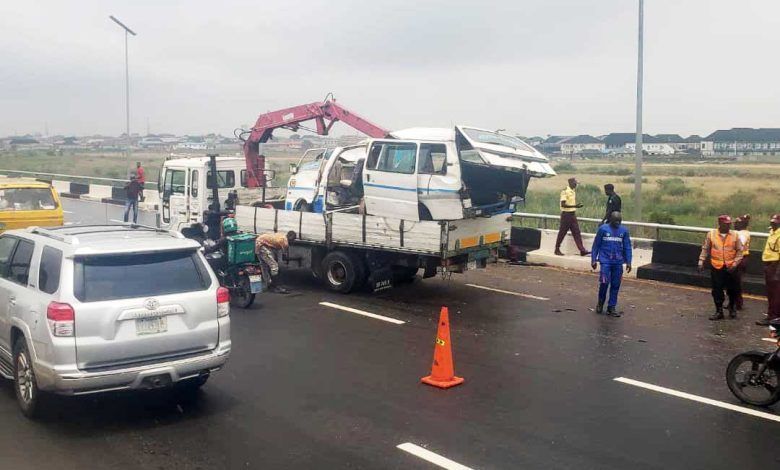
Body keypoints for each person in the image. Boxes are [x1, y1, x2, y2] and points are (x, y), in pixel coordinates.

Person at [698, 215, 744, 320]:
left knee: (733, 289)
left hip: (731, 266)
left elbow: (740, 251)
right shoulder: (712, 234)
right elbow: (706, 248)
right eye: (726, 224)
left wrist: (735, 264)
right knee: (717, 289)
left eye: (729, 224)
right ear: (720, 224)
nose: (728, 226)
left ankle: (732, 308)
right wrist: (701, 260)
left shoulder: (735, 235)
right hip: (717, 266)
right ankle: (719, 311)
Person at [591, 211, 633, 317]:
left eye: (620, 221)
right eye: (616, 221)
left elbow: (627, 246)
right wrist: (593, 259)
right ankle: (600, 303)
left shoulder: (624, 231)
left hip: (618, 262)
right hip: (605, 261)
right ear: (611, 220)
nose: (618, 223)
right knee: (604, 283)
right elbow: (596, 245)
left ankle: (611, 307)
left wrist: (628, 261)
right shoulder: (603, 229)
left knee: (615, 285)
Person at [555, 177, 590, 256]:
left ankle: (582, 250)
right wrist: (575, 206)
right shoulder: (565, 191)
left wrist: (574, 207)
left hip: (572, 215)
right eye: (575, 184)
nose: (576, 185)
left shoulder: (573, 191)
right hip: (566, 215)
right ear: (570, 183)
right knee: (562, 233)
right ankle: (557, 249)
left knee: (577, 232)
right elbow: (563, 204)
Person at [757, 214, 780, 327]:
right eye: (772, 221)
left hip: (775, 265)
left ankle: (774, 317)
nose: (773, 223)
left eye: (775, 221)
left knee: (775, 294)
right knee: (771, 293)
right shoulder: (772, 232)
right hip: (769, 264)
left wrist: (776, 271)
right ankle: (772, 316)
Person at [733, 214, 751, 311]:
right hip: (737, 258)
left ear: (741, 224)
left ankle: (738, 303)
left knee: (736, 281)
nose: (734, 224)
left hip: (740, 258)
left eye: (736, 223)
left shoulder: (743, 233)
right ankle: (733, 301)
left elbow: (739, 244)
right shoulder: (738, 232)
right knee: (732, 281)